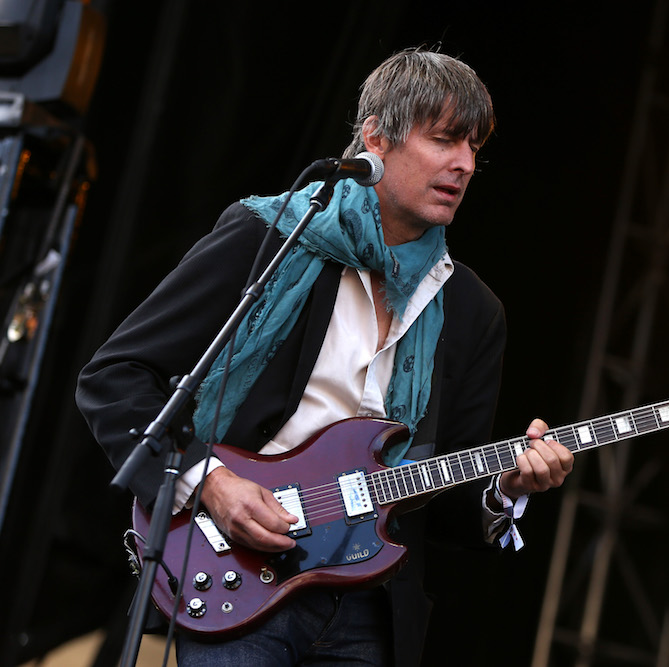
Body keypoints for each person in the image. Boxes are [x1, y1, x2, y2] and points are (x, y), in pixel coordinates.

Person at [76, 47, 574, 666]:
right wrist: (212, 484)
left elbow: (442, 496)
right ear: (376, 139)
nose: (465, 164)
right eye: (445, 139)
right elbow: (116, 377)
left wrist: (504, 487)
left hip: (369, 611)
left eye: (475, 147)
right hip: (239, 574)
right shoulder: (270, 238)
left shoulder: (473, 310)